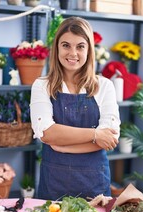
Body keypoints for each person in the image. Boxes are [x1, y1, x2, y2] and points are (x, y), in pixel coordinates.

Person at [30, 16, 121, 200]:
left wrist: (61, 145)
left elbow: (109, 137)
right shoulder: (42, 86)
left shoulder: (104, 86)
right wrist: (95, 135)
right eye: (66, 45)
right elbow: (47, 134)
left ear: (89, 50)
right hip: (54, 185)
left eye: (80, 46)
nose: (73, 53)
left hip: (95, 187)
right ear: (57, 48)